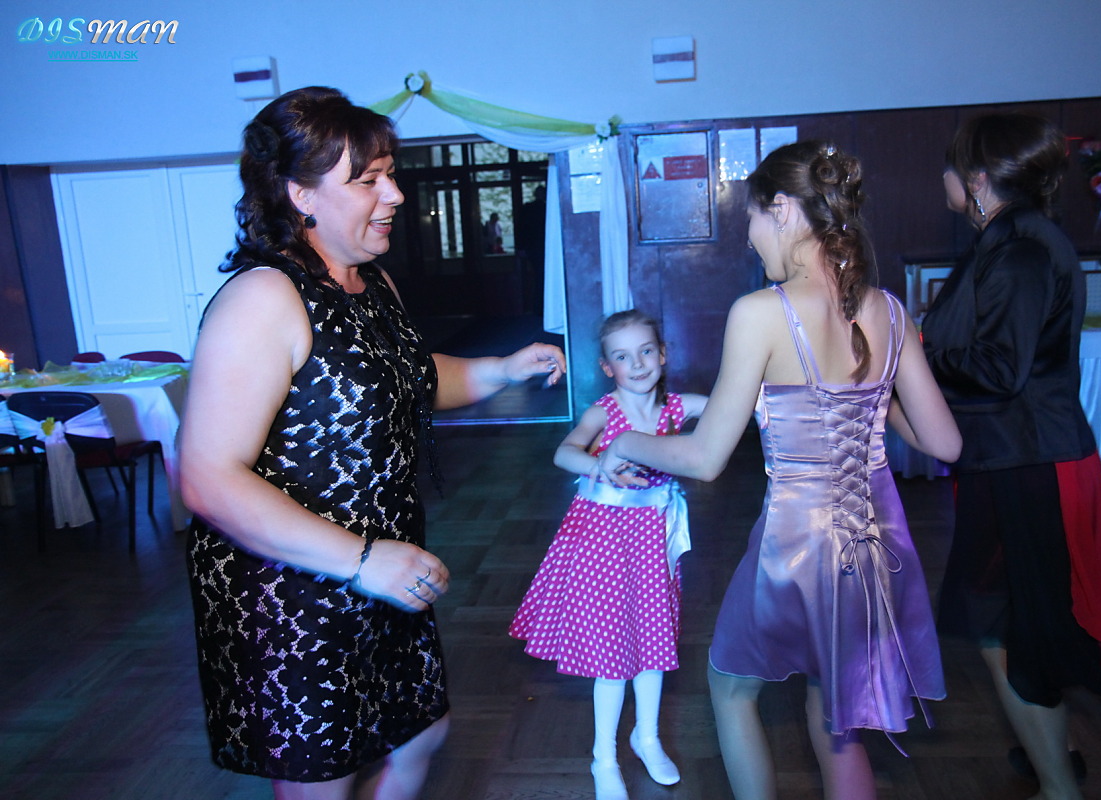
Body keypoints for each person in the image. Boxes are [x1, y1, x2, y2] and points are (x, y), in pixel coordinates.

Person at [179, 86, 565, 800]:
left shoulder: (370, 282)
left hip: (377, 571)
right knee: (326, 778)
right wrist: (360, 560)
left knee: (420, 735)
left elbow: (406, 377)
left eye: (390, 174)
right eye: (368, 180)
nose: (395, 195)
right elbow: (207, 477)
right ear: (300, 194)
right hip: (293, 588)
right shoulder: (263, 298)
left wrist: (501, 369)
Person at [597, 141, 962, 800]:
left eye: (753, 217)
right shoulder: (888, 308)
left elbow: (705, 457)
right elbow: (945, 442)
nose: (748, 235)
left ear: (785, 210)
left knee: (730, 687)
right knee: (838, 716)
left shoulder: (761, 312)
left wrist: (624, 443)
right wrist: (873, 394)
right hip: (877, 541)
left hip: (799, 540)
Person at [922, 112, 1101, 800]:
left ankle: (1059, 787)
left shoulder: (1018, 249)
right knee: (1015, 622)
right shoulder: (1010, 239)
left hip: (1028, 464)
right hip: (1013, 458)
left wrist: (911, 359)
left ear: (979, 178)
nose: (944, 177)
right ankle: (1056, 756)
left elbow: (997, 368)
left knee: (1007, 632)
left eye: (953, 165)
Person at [509, 309, 707, 800]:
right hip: (602, 543)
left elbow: (733, 406)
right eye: (623, 356)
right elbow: (564, 452)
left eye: (646, 351)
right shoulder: (604, 412)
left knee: (654, 642)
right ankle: (603, 756)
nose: (637, 364)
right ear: (607, 367)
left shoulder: (678, 408)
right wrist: (599, 465)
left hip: (653, 542)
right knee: (612, 655)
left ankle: (647, 737)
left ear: (663, 354)